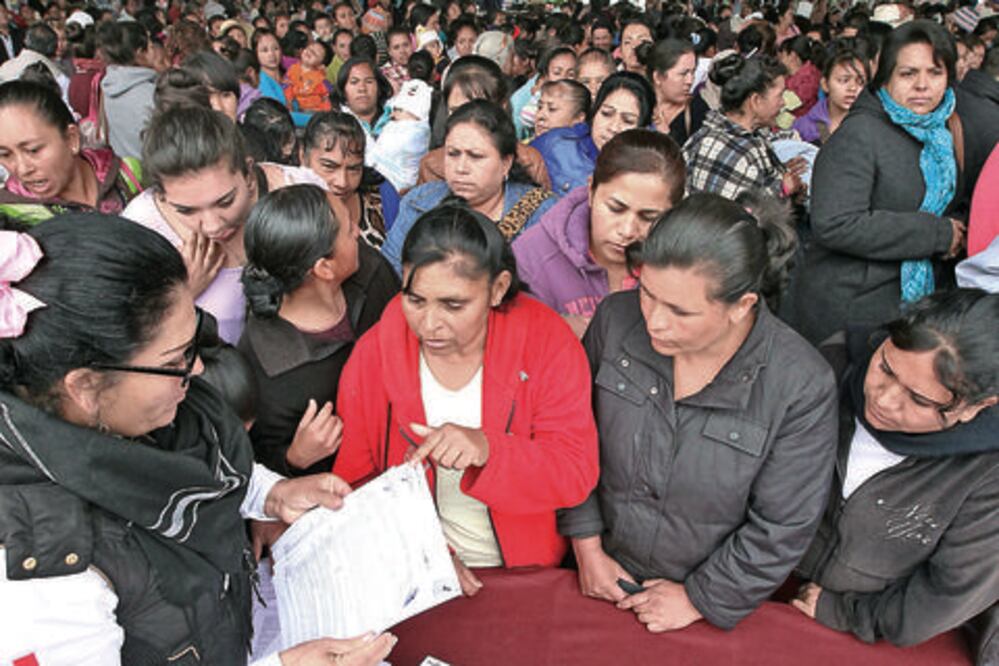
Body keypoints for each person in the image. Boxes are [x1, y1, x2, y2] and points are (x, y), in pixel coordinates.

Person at [0, 216, 396, 665]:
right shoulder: (44, 579)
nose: (199, 370)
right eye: (176, 359)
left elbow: (187, 466)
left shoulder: (137, 410)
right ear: (86, 387)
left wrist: (268, 493)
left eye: (197, 339)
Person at [558, 192, 838, 633]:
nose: (654, 322)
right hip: (595, 571)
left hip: (700, 603)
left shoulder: (799, 385)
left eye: (680, 311)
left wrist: (699, 597)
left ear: (741, 306)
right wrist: (587, 546)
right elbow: (571, 439)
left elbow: (783, 525)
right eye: (647, 294)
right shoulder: (614, 321)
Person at [334, 203, 599, 593]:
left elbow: (575, 471)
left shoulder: (546, 343)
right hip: (411, 574)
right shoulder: (376, 352)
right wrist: (427, 553)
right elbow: (355, 482)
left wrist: (488, 449)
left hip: (527, 575)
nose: (429, 324)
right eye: (415, 300)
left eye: (453, 305)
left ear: (498, 288)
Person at [792, 290, 999, 660]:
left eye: (919, 400)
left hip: (875, 634)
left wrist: (849, 613)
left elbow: (949, 594)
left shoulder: (988, 470)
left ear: (975, 408)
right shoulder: (836, 363)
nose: (883, 400)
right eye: (885, 368)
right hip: (768, 584)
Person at [793, 21, 971, 345]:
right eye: (908, 73)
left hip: (913, 307)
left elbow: (949, 202)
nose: (922, 85)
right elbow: (834, 222)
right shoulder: (860, 134)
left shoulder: (942, 134)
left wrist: (957, 227)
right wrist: (936, 233)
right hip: (852, 312)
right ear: (885, 75)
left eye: (935, 73)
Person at [123, 106, 329, 345]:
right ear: (160, 196)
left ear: (249, 175)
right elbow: (130, 341)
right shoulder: (142, 230)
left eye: (226, 202)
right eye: (186, 211)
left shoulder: (299, 190)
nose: (212, 226)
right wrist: (180, 296)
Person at [239, 184, 398, 477]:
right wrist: (294, 457)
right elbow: (252, 461)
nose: (357, 233)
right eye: (349, 229)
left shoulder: (370, 273)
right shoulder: (266, 365)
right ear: (324, 268)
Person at [513, 129, 685, 336]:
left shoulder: (686, 265)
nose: (628, 230)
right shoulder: (531, 256)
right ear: (591, 190)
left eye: (648, 217)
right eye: (615, 208)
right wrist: (552, 329)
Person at [383, 100, 557, 274]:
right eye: (453, 154)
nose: (461, 168)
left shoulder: (543, 214)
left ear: (506, 163)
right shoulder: (419, 203)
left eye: (476, 156)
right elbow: (390, 277)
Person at [0, 81, 142, 226]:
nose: (23, 169)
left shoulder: (128, 174)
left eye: (33, 150)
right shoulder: (10, 216)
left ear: (71, 139)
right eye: (5, 155)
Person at [683, 53, 806, 201]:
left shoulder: (719, 134)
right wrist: (782, 188)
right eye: (779, 96)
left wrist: (781, 172)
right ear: (756, 100)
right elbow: (741, 213)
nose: (783, 103)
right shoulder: (729, 151)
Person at [418, 55, 551, 189]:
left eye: (477, 111)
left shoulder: (529, 162)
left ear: (502, 106)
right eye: (456, 111)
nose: (465, 121)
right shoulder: (433, 166)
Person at [301, 111, 395, 249]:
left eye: (354, 169)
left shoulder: (382, 194)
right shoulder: (288, 212)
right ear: (303, 157)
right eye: (329, 166)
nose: (342, 182)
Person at [98, 21, 156, 160]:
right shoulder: (151, 94)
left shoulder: (107, 86)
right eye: (150, 47)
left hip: (125, 173)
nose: (154, 51)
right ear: (139, 53)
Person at [529, 79, 593, 197]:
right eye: (539, 107)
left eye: (552, 109)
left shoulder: (557, 143)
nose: (540, 116)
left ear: (579, 117)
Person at [793, 48, 869, 145]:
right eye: (843, 80)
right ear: (825, 84)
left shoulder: (873, 125)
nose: (852, 88)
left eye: (860, 82)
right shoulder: (803, 128)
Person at [642, 39, 709, 146]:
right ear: (658, 77)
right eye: (683, 74)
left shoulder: (698, 110)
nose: (690, 81)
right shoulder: (639, 104)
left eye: (693, 72)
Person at [371, 78, 432, 193]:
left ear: (416, 112)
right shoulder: (395, 125)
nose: (392, 115)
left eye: (398, 110)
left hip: (397, 185)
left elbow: (381, 152)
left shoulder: (415, 132)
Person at [509, 45, 578, 140]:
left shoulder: (579, 97)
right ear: (546, 76)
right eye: (557, 73)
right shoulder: (540, 96)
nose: (563, 78)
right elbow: (526, 117)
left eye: (571, 74)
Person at [778, 35, 823, 116]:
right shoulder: (792, 74)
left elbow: (787, 104)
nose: (780, 59)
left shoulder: (808, 78)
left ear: (792, 55)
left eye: (782, 55)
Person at [285, 41, 334, 113]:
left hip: (312, 111)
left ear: (321, 66)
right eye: (309, 48)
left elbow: (327, 98)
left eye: (315, 53)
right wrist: (288, 101)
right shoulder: (292, 69)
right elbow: (287, 85)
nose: (310, 52)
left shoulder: (321, 80)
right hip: (292, 106)